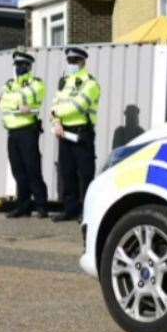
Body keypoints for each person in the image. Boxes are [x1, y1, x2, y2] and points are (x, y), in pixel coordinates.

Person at [50, 47, 101, 222]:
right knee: (67, 173)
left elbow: (78, 107)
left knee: (85, 175)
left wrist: (56, 113)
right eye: (69, 61)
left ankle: (86, 212)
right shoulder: (64, 82)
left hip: (82, 132)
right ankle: (70, 210)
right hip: (64, 133)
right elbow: (53, 104)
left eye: (75, 61)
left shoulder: (90, 83)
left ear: (83, 62)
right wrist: (56, 123)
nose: (71, 64)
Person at [0, 50, 49, 219]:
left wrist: (10, 100)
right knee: (18, 170)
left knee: (33, 169)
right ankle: (23, 206)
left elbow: (12, 99)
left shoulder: (37, 83)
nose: (18, 68)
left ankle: (41, 206)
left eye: (21, 65)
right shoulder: (9, 83)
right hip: (12, 132)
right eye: (16, 65)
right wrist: (17, 103)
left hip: (28, 131)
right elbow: (1, 102)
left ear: (28, 66)